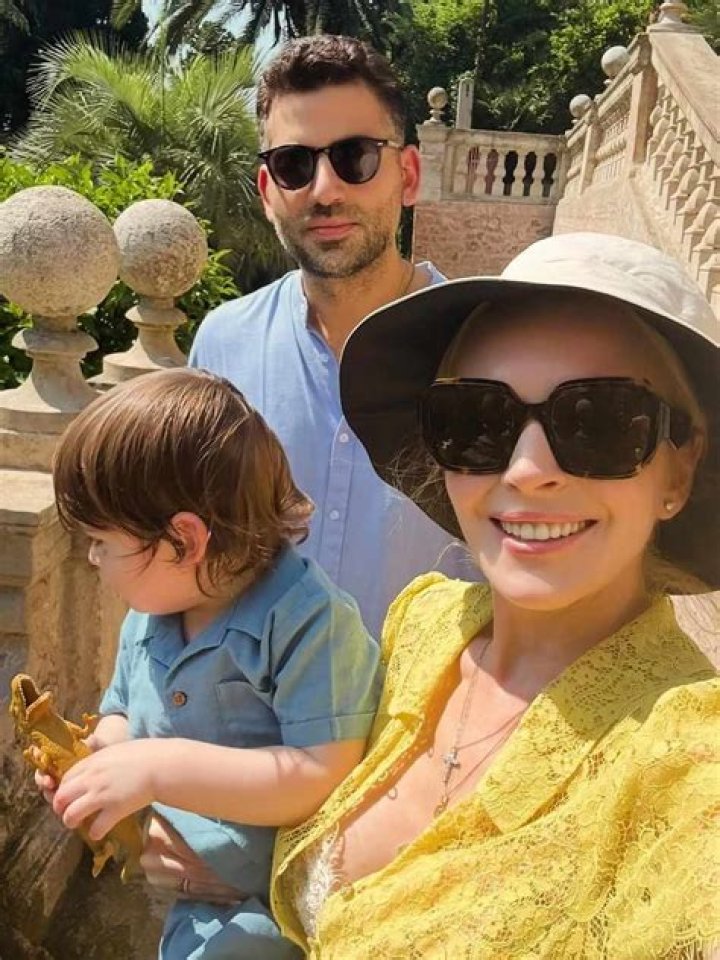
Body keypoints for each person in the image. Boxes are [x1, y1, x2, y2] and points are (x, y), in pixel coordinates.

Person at [269, 232, 720, 959]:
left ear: (678, 470)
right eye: (478, 422)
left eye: (598, 423)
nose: (528, 469)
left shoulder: (688, 762)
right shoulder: (422, 624)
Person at [37, 368, 381, 960]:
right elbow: (123, 714)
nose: (93, 558)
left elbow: (321, 773)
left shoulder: (309, 621)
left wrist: (155, 768)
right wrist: (95, 761)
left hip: (286, 908)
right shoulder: (151, 614)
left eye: (102, 541)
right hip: (196, 899)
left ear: (184, 541)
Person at [189, 34, 473, 644]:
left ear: (408, 175)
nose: (324, 190)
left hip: (425, 705)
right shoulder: (222, 348)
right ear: (268, 191)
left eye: (355, 156)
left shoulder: (484, 355)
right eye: (294, 164)